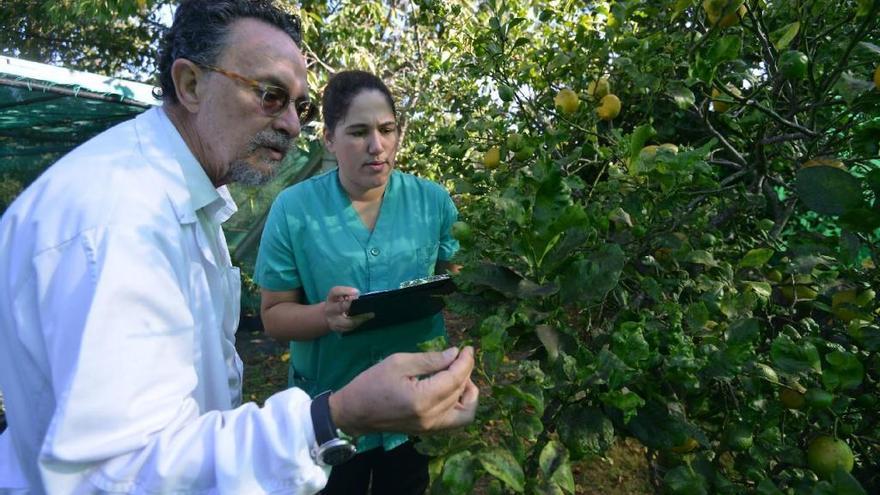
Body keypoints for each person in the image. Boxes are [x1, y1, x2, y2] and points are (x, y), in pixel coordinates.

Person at [0, 1, 478, 494]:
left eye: (300, 105)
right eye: (270, 95)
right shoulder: (117, 225)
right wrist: (334, 417)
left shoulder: (180, 202)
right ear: (190, 84)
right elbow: (119, 473)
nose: (292, 124)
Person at [254, 70, 460, 494]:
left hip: (412, 407)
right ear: (329, 139)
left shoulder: (433, 202)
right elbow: (274, 316)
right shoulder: (294, 210)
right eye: (358, 132)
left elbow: (455, 278)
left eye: (387, 130)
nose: (377, 146)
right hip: (330, 410)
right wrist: (325, 316)